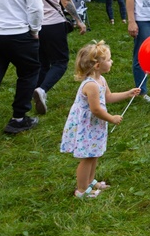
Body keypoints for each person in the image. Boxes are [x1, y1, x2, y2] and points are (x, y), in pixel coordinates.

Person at [59, 41, 140, 199]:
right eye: (109, 60)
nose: (112, 62)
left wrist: (127, 93)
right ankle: (81, 190)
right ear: (97, 66)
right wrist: (112, 118)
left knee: (94, 154)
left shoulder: (101, 80)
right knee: (87, 158)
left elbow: (108, 97)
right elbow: (95, 109)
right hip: (86, 126)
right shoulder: (91, 86)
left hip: (94, 125)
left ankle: (90, 181)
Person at [32, 0, 87, 115]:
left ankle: (35, 92)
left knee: (42, 63)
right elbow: (66, 1)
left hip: (35, 27)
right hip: (54, 25)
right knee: (60, 62)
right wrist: (79, 20)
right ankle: (42, 90)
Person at [0, 0, 44, 134]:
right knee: (28, 73)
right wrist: (35, 30)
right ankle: (18, 118)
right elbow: (35, 9)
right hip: (19, 34)